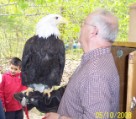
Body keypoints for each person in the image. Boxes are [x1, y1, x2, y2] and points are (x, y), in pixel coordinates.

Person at [43, 8, 120, 119]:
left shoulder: (95, 73)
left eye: (84, 24)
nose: (81, 27)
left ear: (94, 31)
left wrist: (59, 118)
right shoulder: (98, 59)